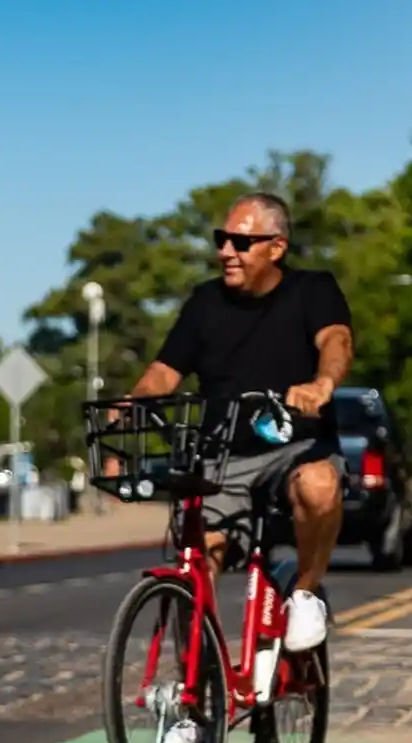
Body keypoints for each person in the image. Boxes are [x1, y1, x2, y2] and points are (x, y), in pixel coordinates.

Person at [117, 191, 354, 653]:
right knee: (195, 564)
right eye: (222, 240)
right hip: (222, 457)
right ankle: (196, 703)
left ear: (276, 247)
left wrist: (322, 385)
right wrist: (134, 400)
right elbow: (165, 371)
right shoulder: (205, 302)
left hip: (293, 449)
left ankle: (305, 594)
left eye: (240, 243)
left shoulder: (313, 290)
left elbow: (336, 340)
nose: (226, 251)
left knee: (320, 486)